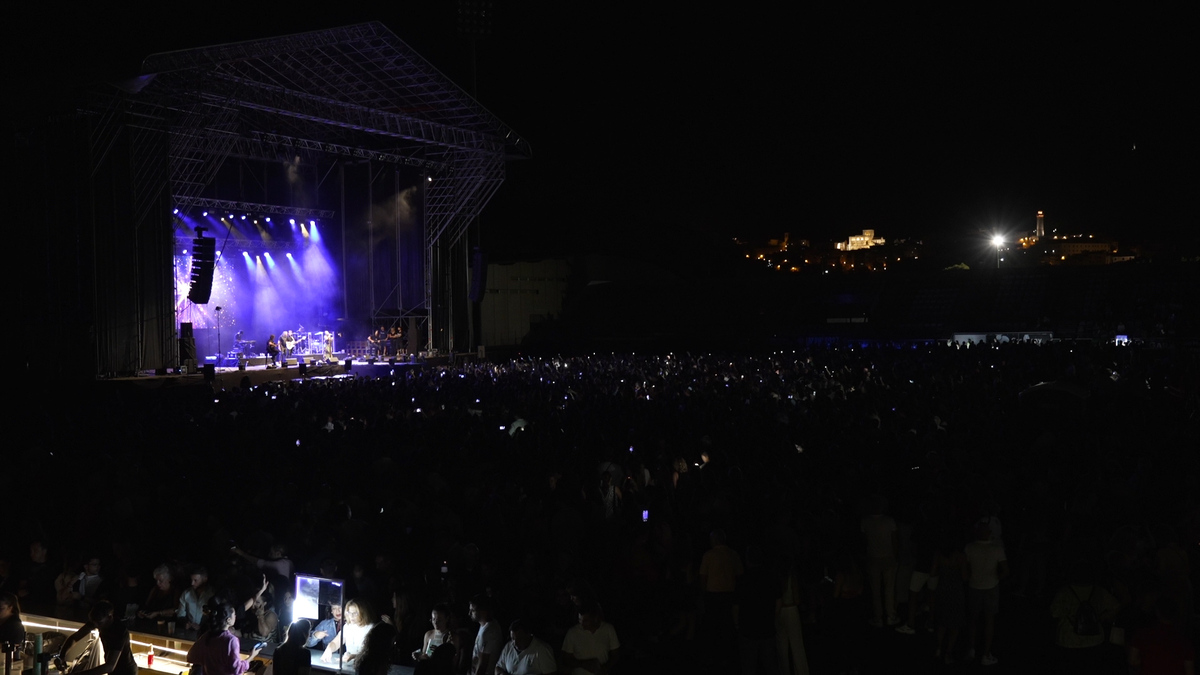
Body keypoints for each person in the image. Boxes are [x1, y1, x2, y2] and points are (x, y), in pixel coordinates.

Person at [964, 522, 1008, 666]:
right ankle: (986, 654)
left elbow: (966, 570)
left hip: (974, 586)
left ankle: (971, 649)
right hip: (991, 587)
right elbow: (1005, 571)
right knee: (989, 621)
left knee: (973, 619)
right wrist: (996, 577)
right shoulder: (997, 549)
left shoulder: (969, 548)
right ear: (989, 533)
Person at [187, 600, 262, 675]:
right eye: (234, 614)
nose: (236, 616)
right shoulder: (231, 640)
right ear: (228, 620)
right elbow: (236, 669)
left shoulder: (207, 636)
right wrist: (251, 656)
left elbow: (191, 657)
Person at [60, 601, 135, 675]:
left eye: (99, 623)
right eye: (93, 622)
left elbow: (110, 666)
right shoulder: (97, 621)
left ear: (110, 617)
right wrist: (61, 656)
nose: (95, 626)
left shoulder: (119, 631)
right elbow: (75, 638)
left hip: (126, 671)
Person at [561, 605, 619, 675]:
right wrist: (584, 664)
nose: (582, 624)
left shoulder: (608, 629)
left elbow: (615, 654)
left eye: (585, 621)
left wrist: (605, 668)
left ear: (595, 619)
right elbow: (565, 658)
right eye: (580, 620)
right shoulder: (573, 632)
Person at [322, 599, 375, 667]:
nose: (351, 616)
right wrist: (329, 649)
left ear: (363, 613)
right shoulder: (347, 627)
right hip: (349, 666)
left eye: (355, 613)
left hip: (367, 667)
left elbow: (374, 654)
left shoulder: (372, 629)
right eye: (349, 613)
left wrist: (354, 656)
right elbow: (336, 642)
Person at [469, 596, 502, 675]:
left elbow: (483, 663)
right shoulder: (485, 626)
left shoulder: (488, 632)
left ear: (483, 611)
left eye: (473, 610)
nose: (469, 613)